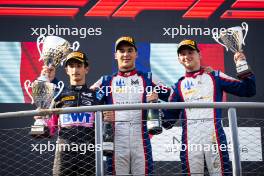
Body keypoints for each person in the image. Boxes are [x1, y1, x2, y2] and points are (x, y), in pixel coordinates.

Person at [163, 39, 256, 176]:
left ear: (199, 55)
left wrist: (241, 64)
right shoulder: (178, 87)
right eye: (182, 54)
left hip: (215, 140)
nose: (187, 56)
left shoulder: (215, 76)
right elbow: (167, 122)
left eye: (190, 52)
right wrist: (153, 106)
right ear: (178, 59)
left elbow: (248, 90)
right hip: (190, 144)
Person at [91, 36, 170, 175]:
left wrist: (157, 102)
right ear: (116, 55)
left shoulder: (148, 79)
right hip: (116, 142)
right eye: (121, 51)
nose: (126, 54)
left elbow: (175, 94)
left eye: (129, 50)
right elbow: (87, 99)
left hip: (141, 142)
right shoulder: (106, 81)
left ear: (136, 53)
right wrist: (103, 115)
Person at [36, 51, 102, 176]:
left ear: (86, 69)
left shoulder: (96, 96)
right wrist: (41, 123)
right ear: (66, 70)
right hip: (64, 156)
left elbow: (105, 127)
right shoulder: (59, 95)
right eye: (71, 66)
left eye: (79, 65)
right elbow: (51, 129)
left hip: (89, 155)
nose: (75, 70)